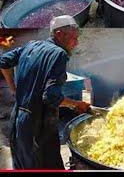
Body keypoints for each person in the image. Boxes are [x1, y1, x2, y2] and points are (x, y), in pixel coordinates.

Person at [0, 16, 91, 169]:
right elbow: (50, 97)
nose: (76, 42)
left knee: (23, 163)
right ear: (59, 34)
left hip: (18, 119)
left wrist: (13, 88)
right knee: (45, 165)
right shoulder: (59, 54)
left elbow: (3, 61)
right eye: (73, 38)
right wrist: (76, 104)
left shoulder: (30, 45)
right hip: (38, 125)